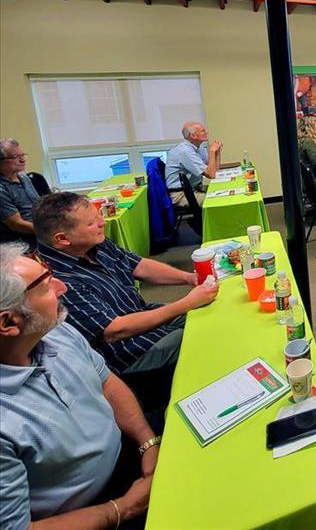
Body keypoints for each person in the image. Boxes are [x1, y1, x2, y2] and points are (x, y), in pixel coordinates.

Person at [0, 242, 158, 528]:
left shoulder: (56, 331)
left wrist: (148, 442)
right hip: (95, 511)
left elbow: (107, 383)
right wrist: (123, 508)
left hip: (128, 448)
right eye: (46, 287)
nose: (63, 288)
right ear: (9, 322)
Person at [33, 192, 219, 376]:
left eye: (99, 216)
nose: (102, 223)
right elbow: (114, 330)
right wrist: (186, 303)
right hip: (127, 351)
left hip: (142, 316)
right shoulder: (57, 281)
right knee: (203, 338)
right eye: (91, 223)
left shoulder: (94, 243)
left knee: (212, 314)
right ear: (62, 239)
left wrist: (188, 278)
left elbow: (139, 266)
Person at [165, 122, 222, 207]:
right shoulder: (185, 151)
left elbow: (214, 171)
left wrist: (217, 153)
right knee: (218, 200)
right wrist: (211, 151)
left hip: (195, 188)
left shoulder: (197, 147)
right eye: (203, 131)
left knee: (224, 192)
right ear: (193, 136)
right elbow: (211, 175)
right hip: (180, 195)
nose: (206, 133)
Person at [0, 138, 40, 244]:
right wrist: (49, 232)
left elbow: (39, 206)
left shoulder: (24, 178)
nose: (23, 160)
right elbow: (17, 224)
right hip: (23, 241)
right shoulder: (1, 188)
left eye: (23, 155)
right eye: (16, 157)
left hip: (41, 230)